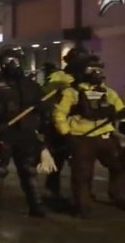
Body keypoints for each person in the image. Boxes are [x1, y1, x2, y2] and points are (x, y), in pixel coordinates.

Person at [0, 46, 48, 218]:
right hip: (2, 133)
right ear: (1, 63)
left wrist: (42, 108)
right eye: (8, 60)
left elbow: (42, 104)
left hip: (25, 134)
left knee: (28, 170)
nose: (12, 64)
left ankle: (36, 206)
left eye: (15, 60)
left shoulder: (31, 85)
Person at [52, 54, 125, 217]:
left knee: (120, 164)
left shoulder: (108, 92)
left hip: (105, 136)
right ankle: (82, 205)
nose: (96, 72)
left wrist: (120, 114)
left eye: (98, 69)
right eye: (91, 69)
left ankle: (118, 195)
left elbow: (120, 110)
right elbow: (59, 114)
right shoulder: (71, 93)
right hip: (82, 138)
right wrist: (66, 134)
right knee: (83, 174)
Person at [41, 47, 91, 200]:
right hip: (58, 124)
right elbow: (47, 92)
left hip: (82, 125)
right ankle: (52, 190)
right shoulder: (59, 76)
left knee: (84, 162)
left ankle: (84, 193)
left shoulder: (88, 78)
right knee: (58, 159)